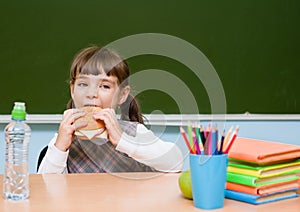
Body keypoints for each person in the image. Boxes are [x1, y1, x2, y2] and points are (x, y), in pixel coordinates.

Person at [38, 46, 183, 174]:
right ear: (72, 90)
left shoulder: (133, 133)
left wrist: (123, 140)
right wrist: (59, 148)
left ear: (122, 95)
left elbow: (176, 162)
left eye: (105, 86)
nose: (91, 93)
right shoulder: (65, 137)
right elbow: (45, 187)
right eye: (83, 84)